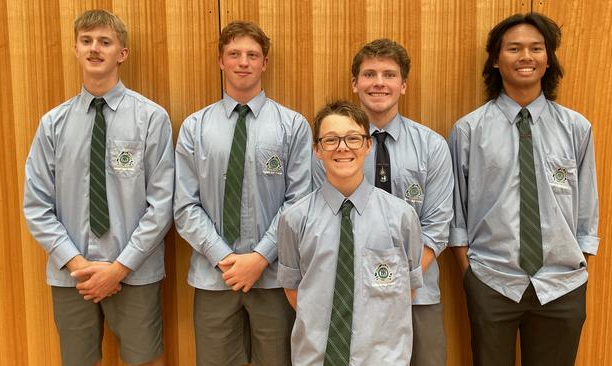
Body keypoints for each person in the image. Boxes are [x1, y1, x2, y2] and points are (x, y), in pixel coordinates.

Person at [23, 9, 173, 366]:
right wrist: (78, 265)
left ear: (121, 53)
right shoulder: (53, 124)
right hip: (71, 275)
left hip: (135, 272)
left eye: (105, 42)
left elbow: (163, 204)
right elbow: (36, 205)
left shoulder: (151, 118)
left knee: (146, 361)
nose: (95, 49)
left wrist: (118, 269)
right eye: (87, 41)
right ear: (75, 49)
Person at [448, 12, 599, 366]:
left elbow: (586, 210)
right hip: (492, 280)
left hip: (562, 284)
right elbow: (457, 215)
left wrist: (577, 267)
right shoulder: (469, 131)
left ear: (549, 61)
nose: (525, 57)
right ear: (497, 61)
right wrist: (471, 276)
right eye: (513, 48)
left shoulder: (576, 128)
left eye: (536, 48)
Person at [173, 20, 312, 366]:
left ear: (265, 63)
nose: (243, 62)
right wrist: (226, 258)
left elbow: (299, 202)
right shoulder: (194, 127)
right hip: (213, 276)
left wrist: (260, 258)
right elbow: (184, 206)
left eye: (252, 54)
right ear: (221, 61)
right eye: (234, 54)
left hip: (275, 278)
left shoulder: (292, 125)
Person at [312, 38, 453, 365]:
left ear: (403, 85)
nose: (378, 82)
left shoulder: (432, 146)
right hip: (348, 295)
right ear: (355, 83)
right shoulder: (330, 148)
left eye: (389, 75)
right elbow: (323, 219)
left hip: (418, 295)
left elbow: (438, 227)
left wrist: (403, 281)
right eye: (369, 74)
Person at [279, 100, 424, 365]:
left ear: (368, 145)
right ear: (317, 150)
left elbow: (408, 290)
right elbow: (293, 289)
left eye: (353, 138)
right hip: (315, 358)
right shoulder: (294, 218)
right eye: (331, 140)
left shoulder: (401, 216)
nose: (343, 147)